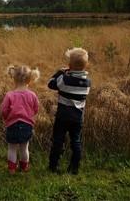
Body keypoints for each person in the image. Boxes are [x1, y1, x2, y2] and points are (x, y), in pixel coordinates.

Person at [48, 47, 91, 175]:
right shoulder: (88, 83)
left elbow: (50, 84)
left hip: (62, 116)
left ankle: (53, 166)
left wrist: (60, 72)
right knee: (76, 141)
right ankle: (74, 168)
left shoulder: (64, 79)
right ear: (86, 65)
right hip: (78, 118)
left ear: (69, 65)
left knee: (58, 140)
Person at [1, 65, 40, 174]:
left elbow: (4, 110)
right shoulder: (32, 95)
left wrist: (6, 118)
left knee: (12, 148)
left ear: (13, 78)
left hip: (12, 124)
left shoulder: (9, 95)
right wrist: (30, 115)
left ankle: (12, 169)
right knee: (24, 148)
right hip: (27, 125)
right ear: (29, 80)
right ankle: (24, 167)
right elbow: (36, 109)